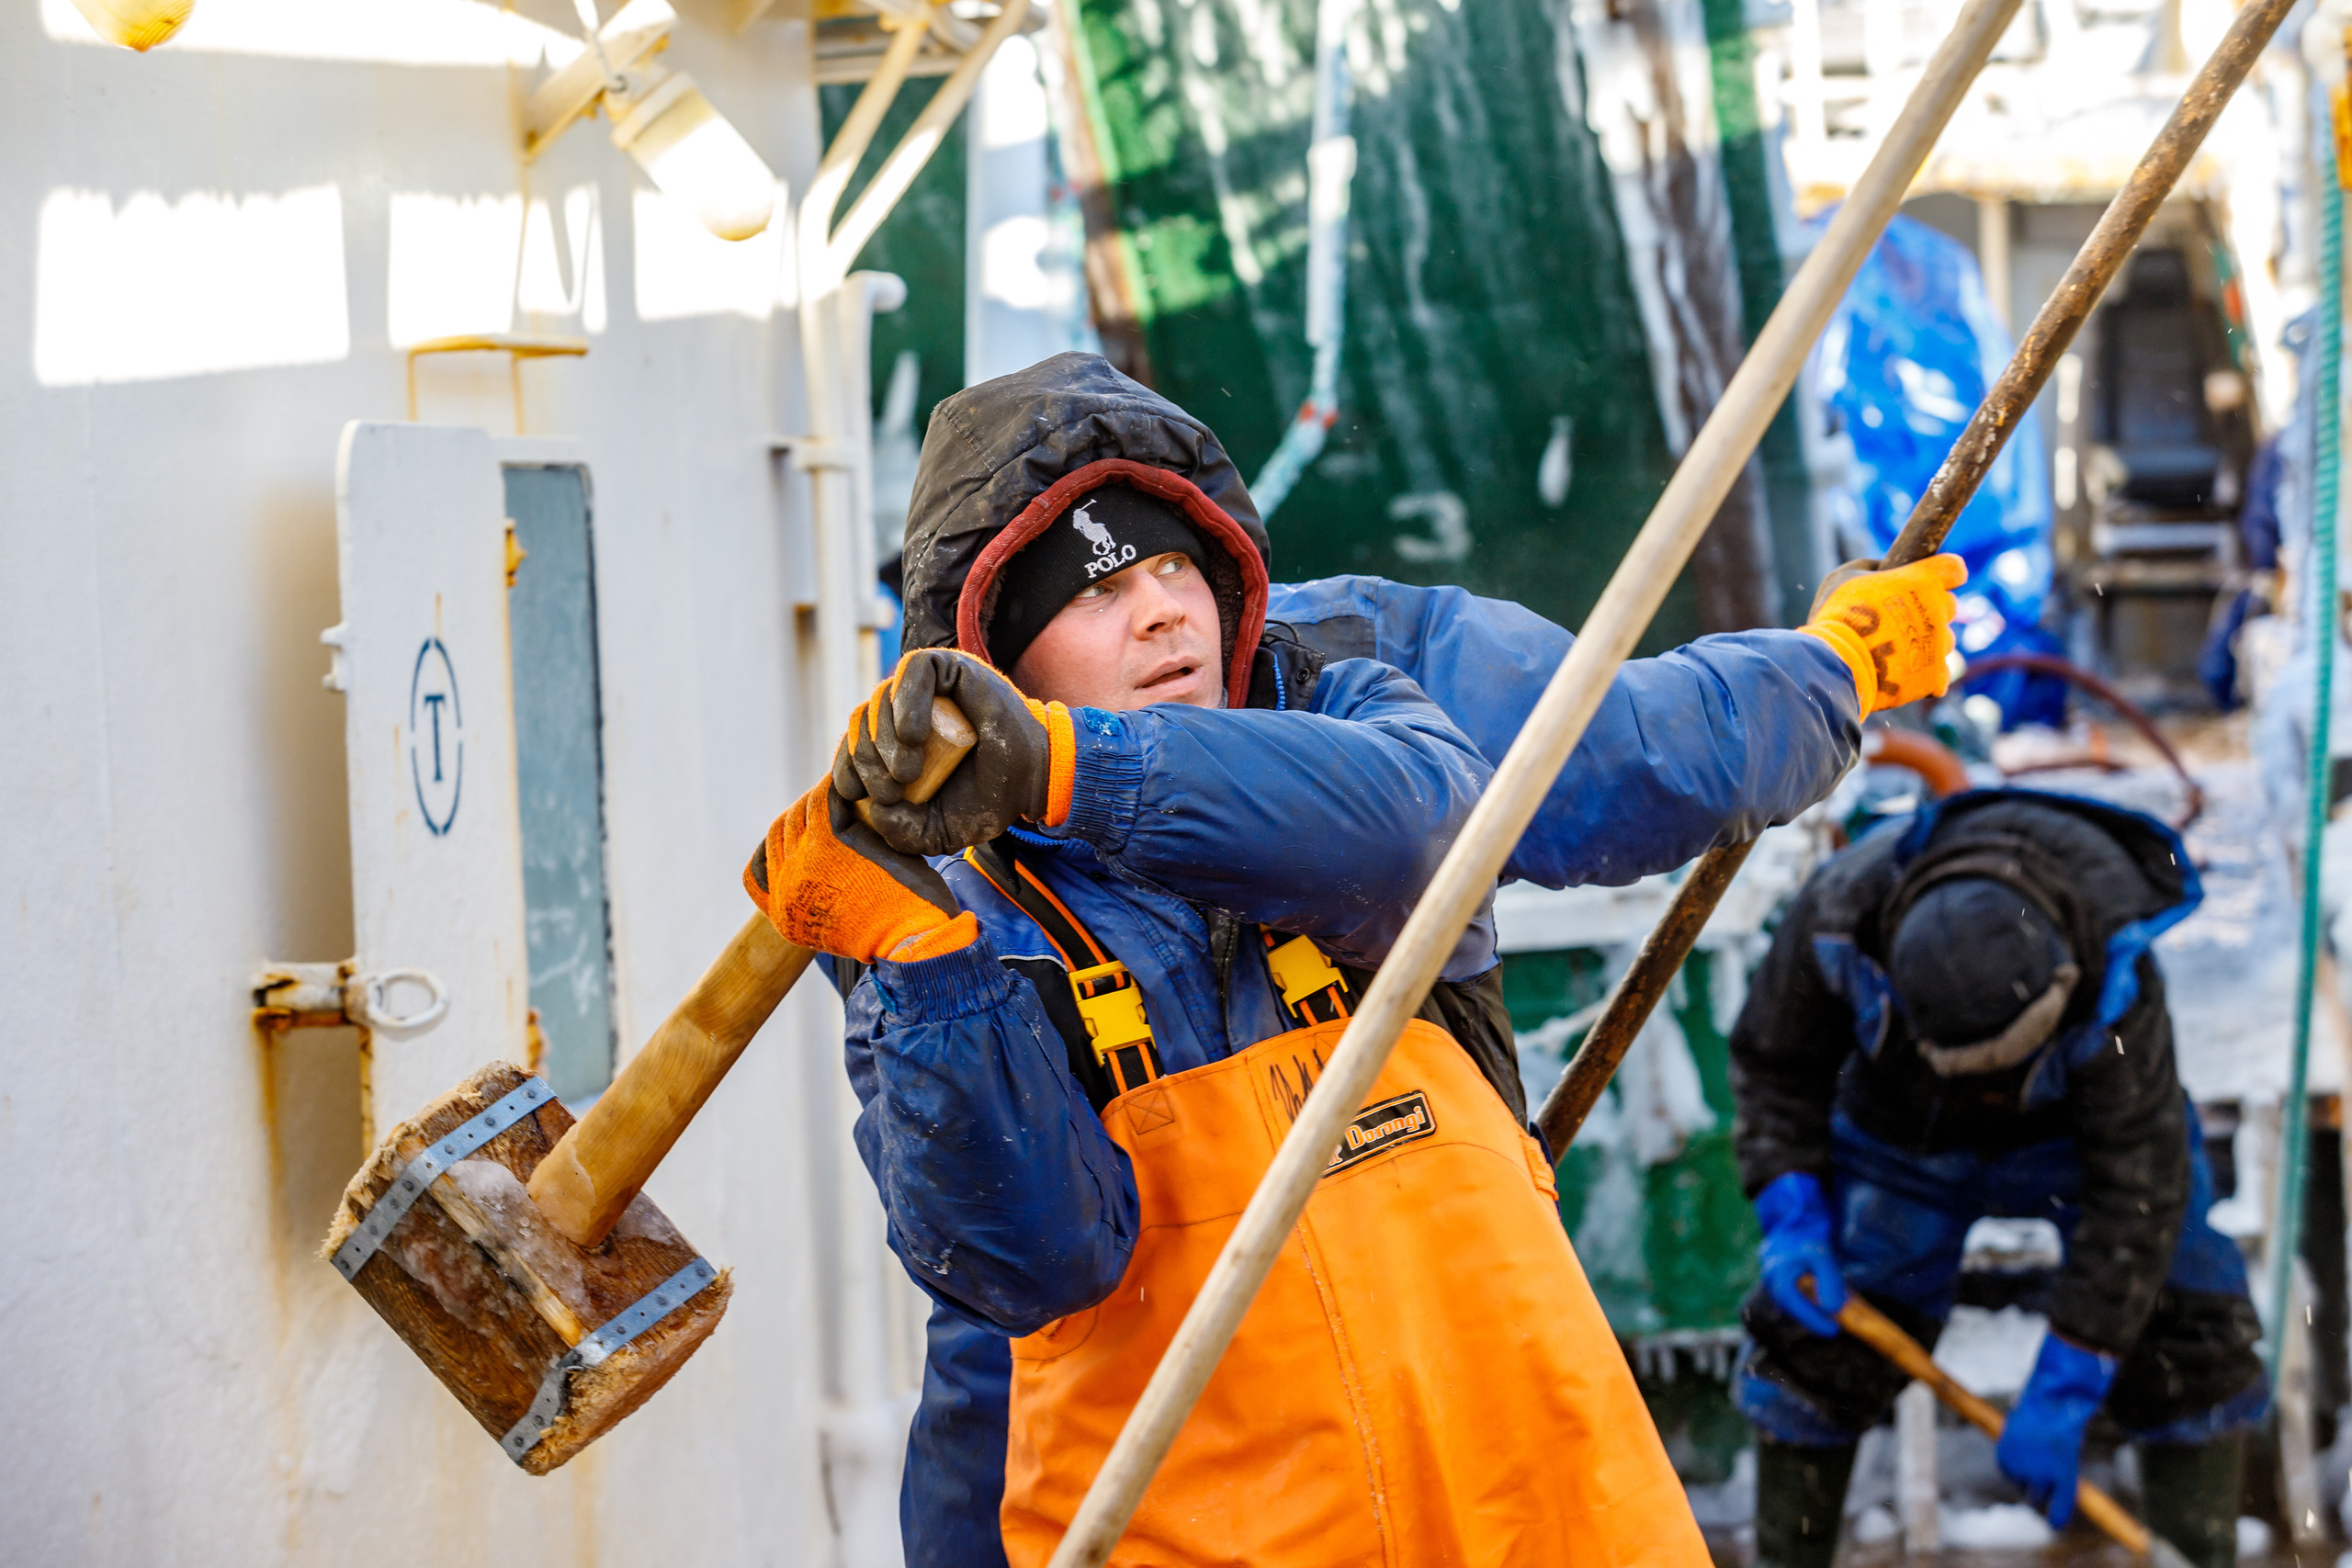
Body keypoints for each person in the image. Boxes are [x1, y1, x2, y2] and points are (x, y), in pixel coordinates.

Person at [751, 354, 1967, 1564]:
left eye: (1176, 562)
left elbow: (1596, 762)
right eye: (1095, 591)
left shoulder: (1353, 685)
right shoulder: (945, 911)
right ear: (994, 655)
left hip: (1510, 1504)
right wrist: (916, 960)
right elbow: (1027, 1258)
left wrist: (1835, 666)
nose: (1163, 608)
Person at [1730, 788, 2265, 1568]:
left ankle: (2197, 1552)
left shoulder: (2115, 966)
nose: (1990, 1091)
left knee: (2183, 1313)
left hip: (2083, 1143)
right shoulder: (1836, 915)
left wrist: (2073, 1371)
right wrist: (1789, 1202)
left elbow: (2137, 1188)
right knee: (1814, 1341)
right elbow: (1776, 1068)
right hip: (1902, 1138)